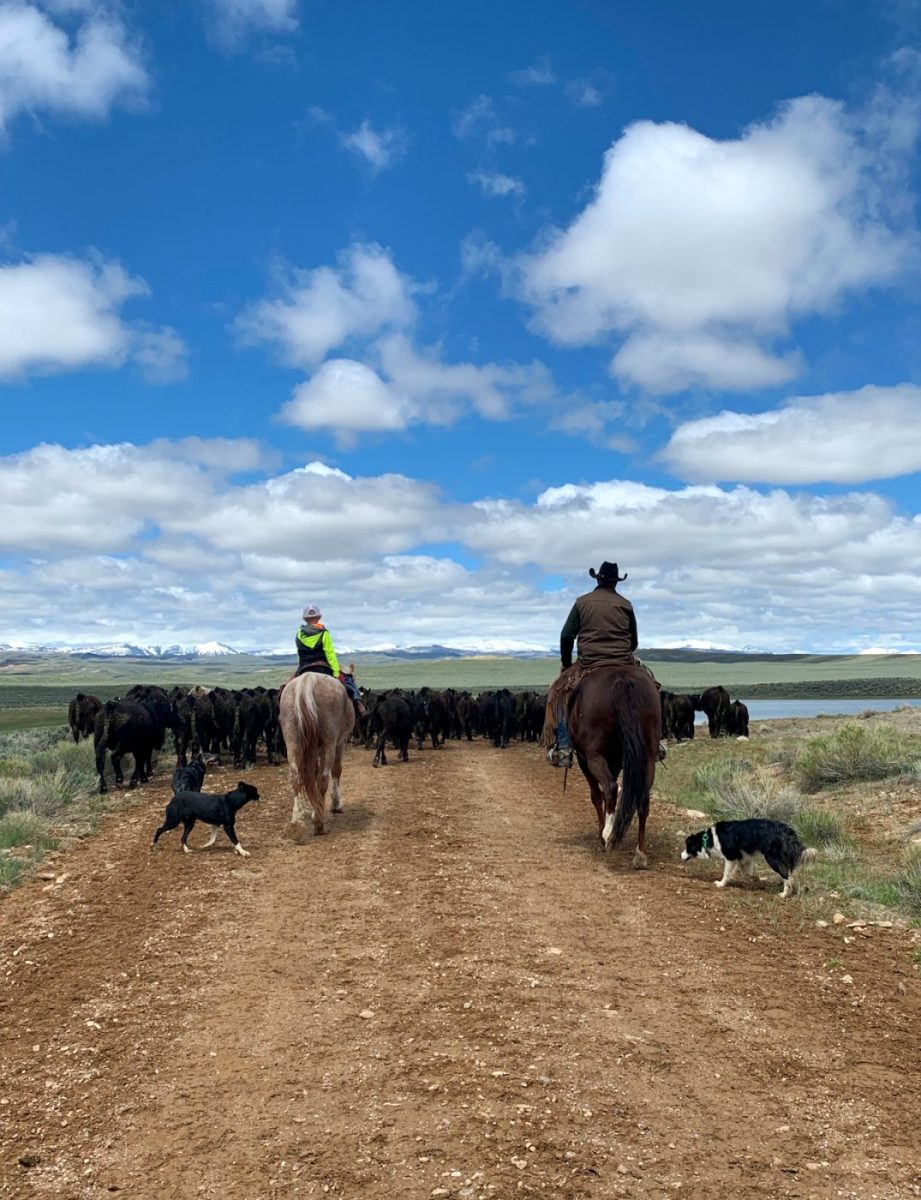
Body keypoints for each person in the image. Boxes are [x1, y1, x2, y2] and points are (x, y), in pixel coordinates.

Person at [548, 561, 652, 768]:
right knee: (652, 687)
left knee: (557, 693)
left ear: (598, 579)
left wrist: (566, 664)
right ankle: (655, 741)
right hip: (623, 660)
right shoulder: (626, 604)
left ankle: (563, 746)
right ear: (616, 582)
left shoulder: (582, 602)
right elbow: (634, 641)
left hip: (590, 662)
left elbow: (566, 635)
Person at [295, 604, 367, 719]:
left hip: (304, 667)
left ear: (305, 619)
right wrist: (336, 673)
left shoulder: (299, 633)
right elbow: (330, 654)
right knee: (348, 680)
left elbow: (300, 653)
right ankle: (359, 705)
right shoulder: (324, 633)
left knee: (285, 688)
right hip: (323, 667)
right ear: (319, 617)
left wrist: (299, 669)